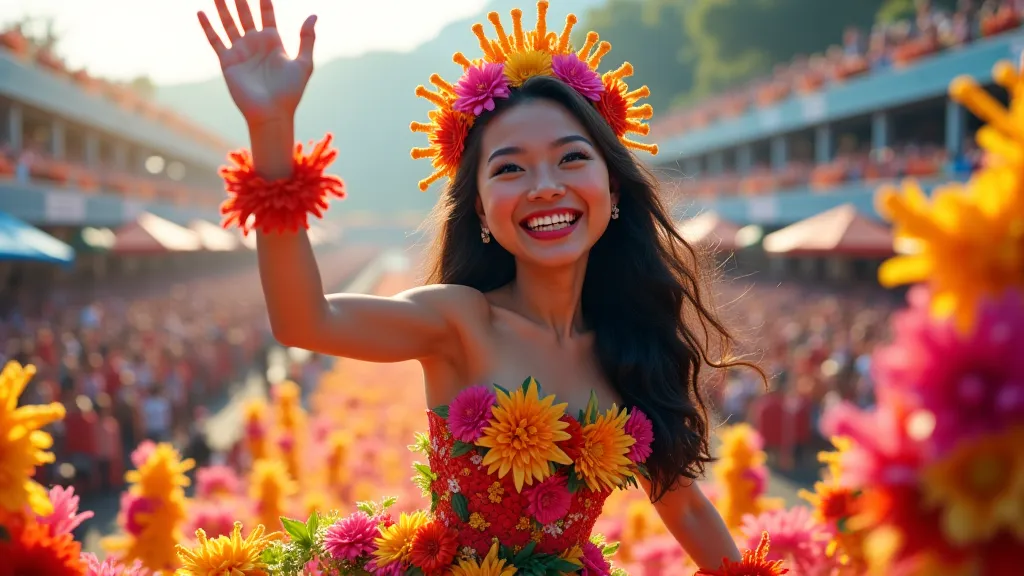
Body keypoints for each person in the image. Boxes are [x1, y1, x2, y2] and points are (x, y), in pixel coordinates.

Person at [197, 0, 765, 572]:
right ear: (481, 211)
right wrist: (270, 131)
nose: (545, 186)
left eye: (571, 158)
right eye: (510, 168)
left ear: (612, 189)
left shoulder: (634, 346)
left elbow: (686, 510)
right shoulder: (459, 321)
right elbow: (304, 320)